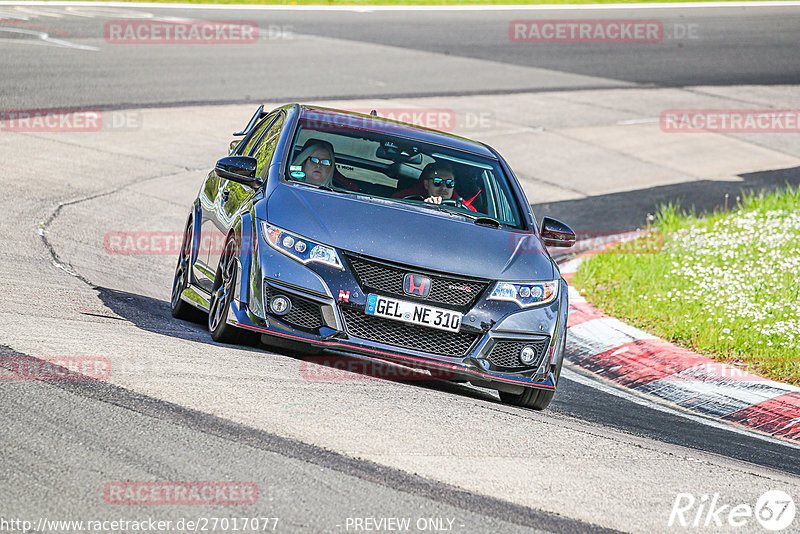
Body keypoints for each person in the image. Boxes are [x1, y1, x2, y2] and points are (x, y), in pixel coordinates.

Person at [392, 162, 478, 211]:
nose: (444, 187)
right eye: (437, 182)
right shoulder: (403, 201)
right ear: (426, 184)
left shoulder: (467, 210)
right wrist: (424, 207)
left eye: (449, 183)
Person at [291, 139, 360, 191]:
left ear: (331, 168)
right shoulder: (289, 185)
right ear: (303, 162)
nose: (319, 165)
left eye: (325, 162)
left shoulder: (338, 194)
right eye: (314, 160)